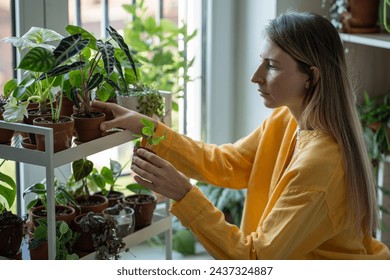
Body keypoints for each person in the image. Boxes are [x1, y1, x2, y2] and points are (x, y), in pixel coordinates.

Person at [91, 11, 390, 259]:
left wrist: (183, 193)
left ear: (310, 77)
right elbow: (227, 163)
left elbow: (256, 259)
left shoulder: (321, 165)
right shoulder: (286, 119)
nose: (255, 76)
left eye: (271, 66)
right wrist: (148, 127)